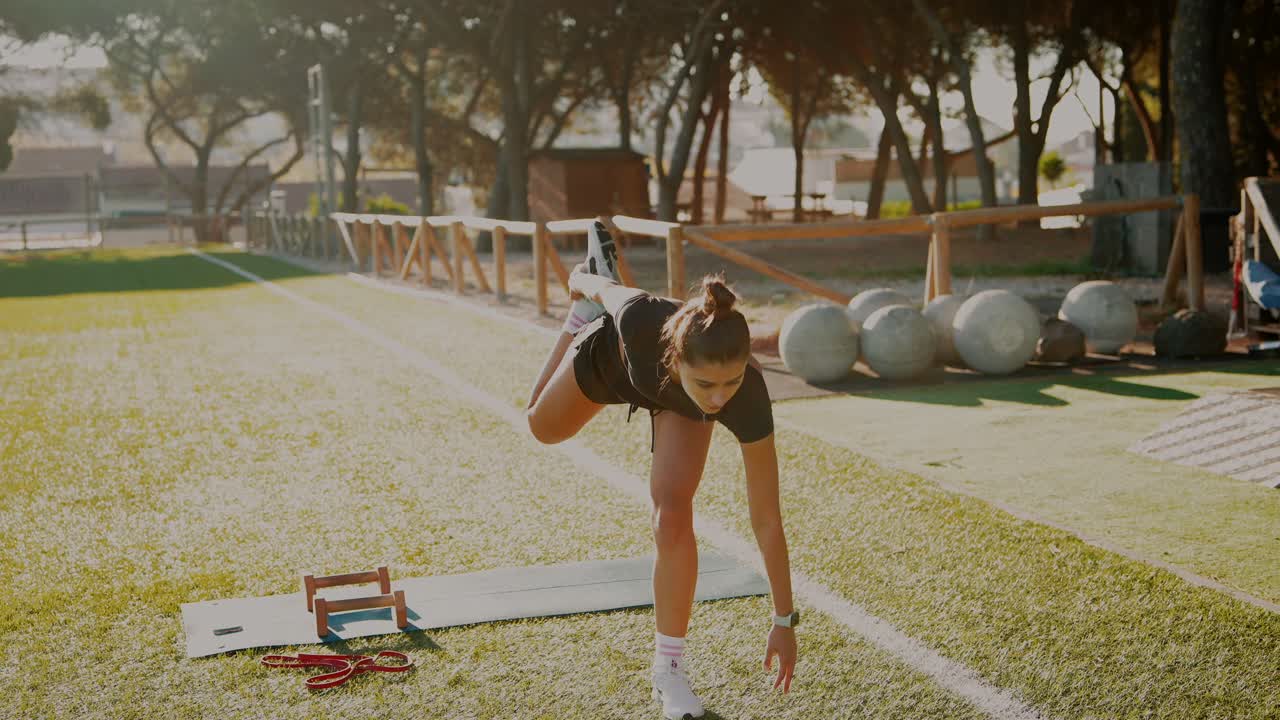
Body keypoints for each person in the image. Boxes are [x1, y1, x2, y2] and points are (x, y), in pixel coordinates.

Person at [525, 222, 798, 719]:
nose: (720, 397)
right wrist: (579, 285)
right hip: (613, 360)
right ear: (678, 358)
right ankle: (575, 322)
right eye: (708, 382)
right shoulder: (637, 318)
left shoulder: (745, 394)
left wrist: (784, 617)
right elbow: (599, 284)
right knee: (541, 427)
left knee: (672, 515)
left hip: (676, 400)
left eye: (730, 381)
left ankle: (668, 672)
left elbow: (767, 518)